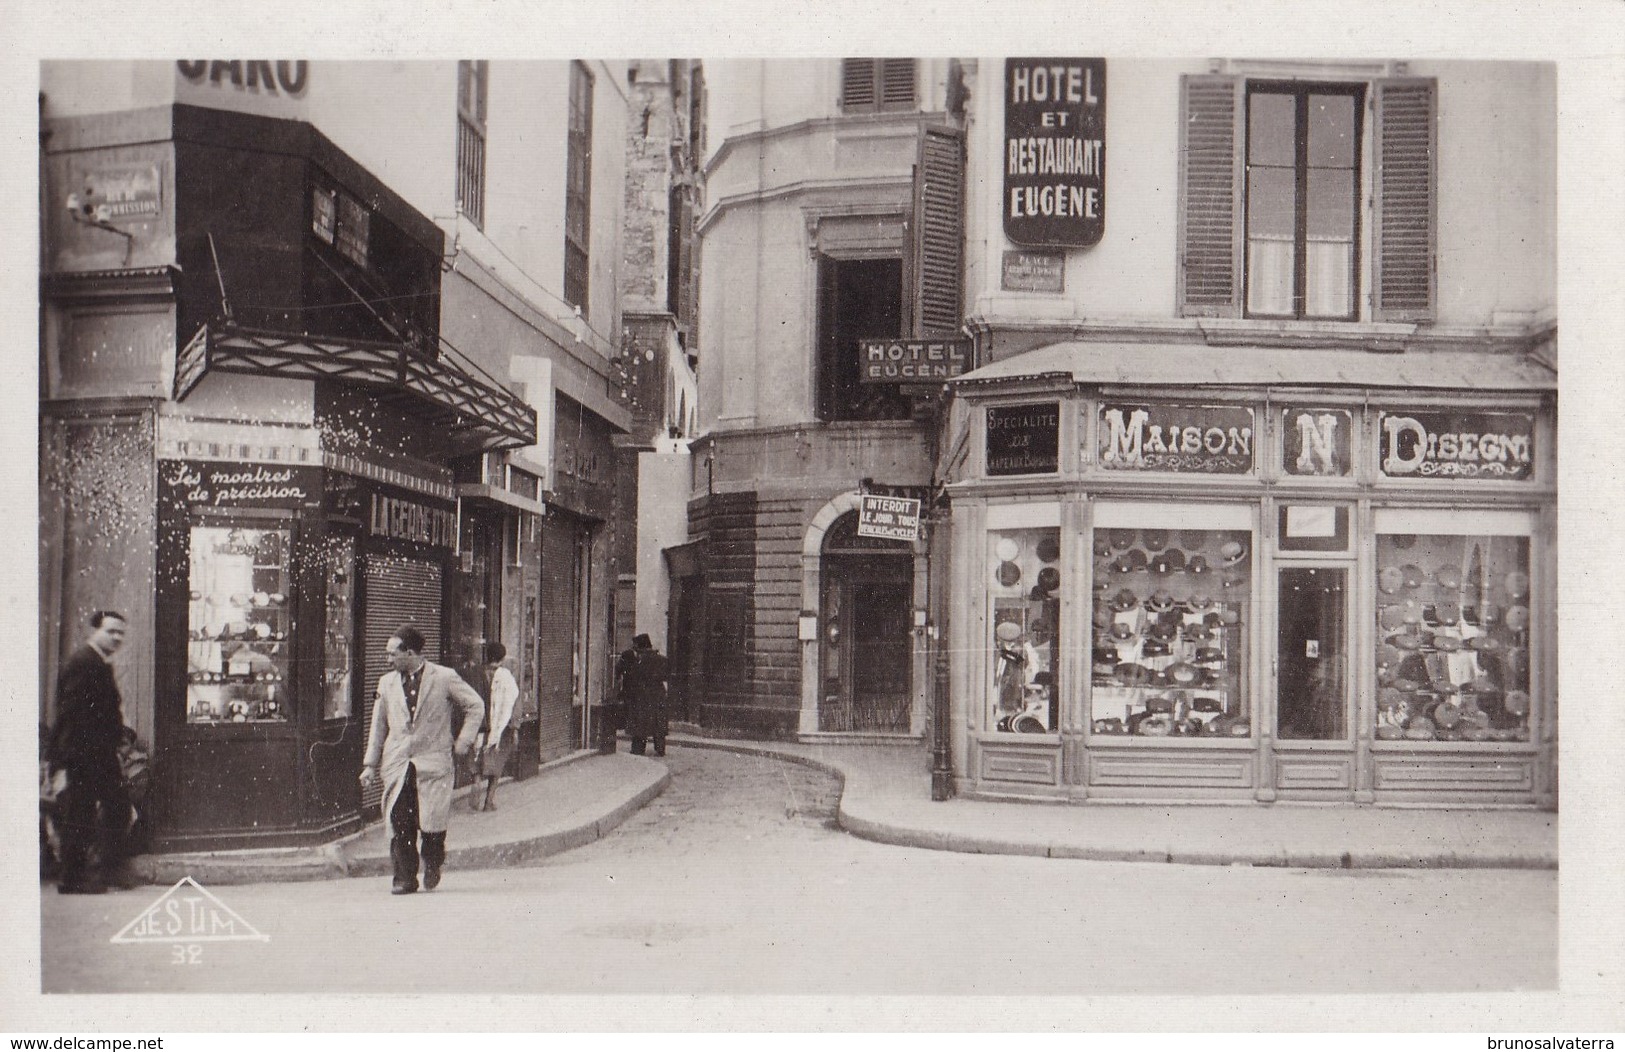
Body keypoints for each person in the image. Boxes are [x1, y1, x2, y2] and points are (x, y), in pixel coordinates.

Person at [360, 626, 484, 895]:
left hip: (433, 763)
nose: (387, 659)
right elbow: (378, 724)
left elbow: (476, 705)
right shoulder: (386, 683)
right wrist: (370, 764)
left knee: (431, 824)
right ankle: (404, 878)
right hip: (398, 764)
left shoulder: (444, 677)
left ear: (411, 653)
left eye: (392, 654)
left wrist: (463, 741)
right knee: (399, 819)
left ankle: (433, 862)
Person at [46, 611, 137, 894]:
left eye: (121, 633)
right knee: (81, 814)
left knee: (116, 809)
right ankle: (73, 878)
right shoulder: (83, 662)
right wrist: (62, 760)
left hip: (99, 752)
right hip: (83, 753)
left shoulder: (97, 661)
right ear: (94, 631)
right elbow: (69, 713)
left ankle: (105, 870)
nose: (117, 638)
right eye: (111, 631)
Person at [470, 641, 518, 812]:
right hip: (499, 727)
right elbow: (511, 704)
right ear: (502, 658)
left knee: (477, 757)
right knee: (496, 763)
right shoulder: (506, 677)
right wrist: (514, 727)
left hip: (480, 725)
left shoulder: (477, 673)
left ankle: (476, 783)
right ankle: (489, 801)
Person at [615, 633, 669, 757]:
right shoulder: (662, 660)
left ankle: (638, 749)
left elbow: (631, 677)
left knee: (640, 723)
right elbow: (666, 676)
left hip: (642, 695)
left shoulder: (638, 662)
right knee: (658, 723)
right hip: (658, 694)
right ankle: (660, 748)